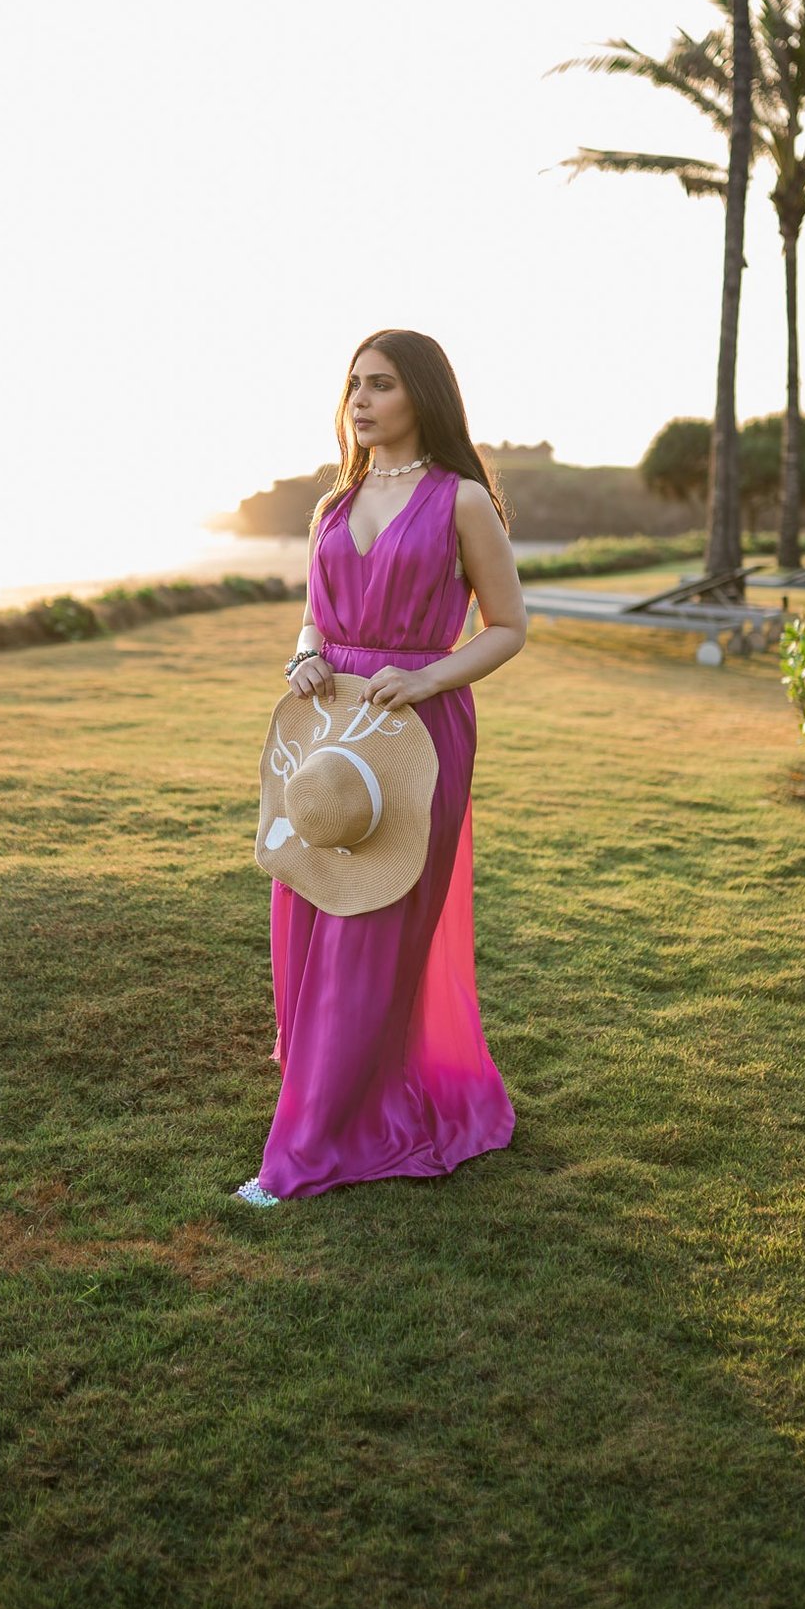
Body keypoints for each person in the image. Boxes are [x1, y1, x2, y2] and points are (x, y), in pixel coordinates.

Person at [235, 328, 526, 1205]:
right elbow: (314, 619)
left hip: (417, 732)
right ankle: (329, 1084)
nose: (361, 401)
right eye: (354, 384)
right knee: (307, 915)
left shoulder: (462, 500)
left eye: (383, 385)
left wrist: (427, 677)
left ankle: (311, 1148)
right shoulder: (333, 506)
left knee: (369, 927)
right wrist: (304, 658)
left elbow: (508, 626)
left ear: (422, 396)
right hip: (328, 737)